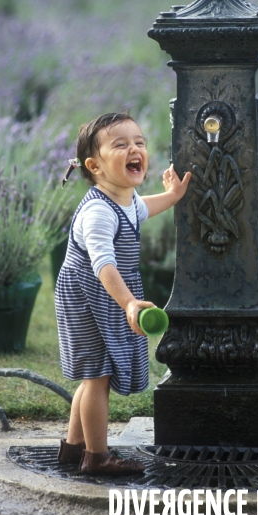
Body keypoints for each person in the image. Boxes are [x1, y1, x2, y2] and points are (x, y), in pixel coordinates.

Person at [55, 112, 191, 476]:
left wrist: (173, 195)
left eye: (139, 142)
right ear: (94, 166)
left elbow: (143, 208)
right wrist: (129, 301)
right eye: (121, 144)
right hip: (89, 296)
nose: (135, 149)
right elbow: (103, 265)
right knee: (96, 376)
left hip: (104, 295)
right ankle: (97, 456)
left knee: (93, 375)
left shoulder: (125, 199)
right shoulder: (98, 212)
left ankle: (73, 448)